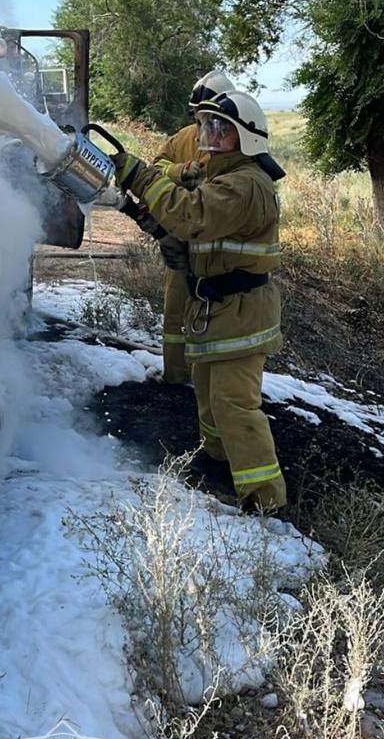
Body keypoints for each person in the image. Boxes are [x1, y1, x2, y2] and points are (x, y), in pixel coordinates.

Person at [111, 90, 286, 512]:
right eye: (208, 126)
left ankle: (265, 501)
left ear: (249, 139)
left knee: (235, 407)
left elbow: (192, 216)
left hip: (240, 312)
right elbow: (194, 227)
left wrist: (140, 177)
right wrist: (154, 223)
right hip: (216, 310)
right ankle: (219, 463)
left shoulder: (246, 185)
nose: (211, 135)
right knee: (209, 399)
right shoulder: (221, 176)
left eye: (223, 130)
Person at [153, 70, 234, 385]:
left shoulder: (234, 142)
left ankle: (210, 378)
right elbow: (156, 166)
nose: (205, 123)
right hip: (181, 235)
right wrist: (179, 171)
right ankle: (175, 376)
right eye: (201, 115)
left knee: (215, 312)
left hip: (218, 242)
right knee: (176, 309)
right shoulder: (183, 138)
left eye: (211, 115)